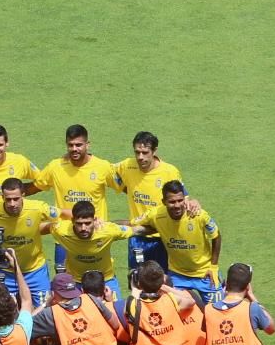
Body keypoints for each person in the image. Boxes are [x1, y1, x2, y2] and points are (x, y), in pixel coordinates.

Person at [31, 124, 120, 269]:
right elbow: (35, 187)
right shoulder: (56, 166)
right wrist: (13, 192)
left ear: (87, 145)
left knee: (99, 278)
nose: (74, 149)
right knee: (63, 281)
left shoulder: (102, 167)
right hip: (64, 235)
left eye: (79, 145)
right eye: (70, 145)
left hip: (95, 235)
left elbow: (125, 187)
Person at [132, 180, 222, 302]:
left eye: (180, 200)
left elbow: (216, 236)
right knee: (172, 311)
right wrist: (105, 224)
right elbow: (131, 223)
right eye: (172, 202)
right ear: (164, 202)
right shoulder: (156, 215)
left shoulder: (198, 215)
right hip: (178, 275)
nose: (177, 205)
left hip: (205, 273)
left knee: (217, 312)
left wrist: (214, 267)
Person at [0, 177, 58, 304]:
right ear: (2, 197)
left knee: (43, 309)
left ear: (23, 195)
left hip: (35, 270)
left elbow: (63, 215)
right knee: (4, 312)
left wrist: (93, 218)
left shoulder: (38, 208)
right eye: (8, 199)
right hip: (6, 271)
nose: (12, 203)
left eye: (16, 199)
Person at [115, 131, 183, 270]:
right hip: (138, 237)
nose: (140, 157)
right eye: (137, 152)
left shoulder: (169, 172)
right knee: (137, 281)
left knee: (164, 282)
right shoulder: (127, 166)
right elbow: (105, 172)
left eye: (145, 152)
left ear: (154, 151)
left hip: (163, 237)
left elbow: (182, 199)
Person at [51, 200, 133, 300]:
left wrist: (154, 222)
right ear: (72, 221)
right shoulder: (61, 231)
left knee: (116, 311)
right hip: (76, 281)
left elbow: (135, 229)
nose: (83, 228)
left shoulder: (107, 231)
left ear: (95, 220)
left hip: (106, 279)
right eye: (79, 224)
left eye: (88, 223)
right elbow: (42, 226)